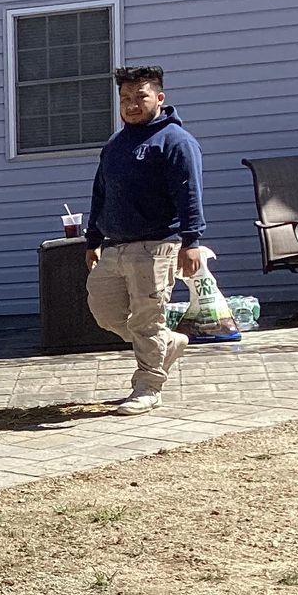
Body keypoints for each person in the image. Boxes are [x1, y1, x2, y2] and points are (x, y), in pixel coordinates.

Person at [83, 65, 206, 415]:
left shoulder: (175, 141)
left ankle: (149, 387)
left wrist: (192, 241)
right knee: (104, 311)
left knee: (147, 319)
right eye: (125, 98)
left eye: (141, 96)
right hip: (114, 245)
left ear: (160, 98)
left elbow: (190, 193)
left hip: (157, 246)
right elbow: (100, 193)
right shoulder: (116, 145)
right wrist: (93, 239)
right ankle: (167, 343)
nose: (132, 104)